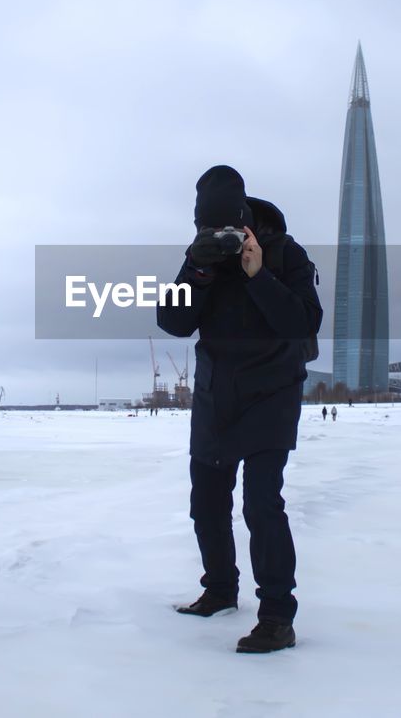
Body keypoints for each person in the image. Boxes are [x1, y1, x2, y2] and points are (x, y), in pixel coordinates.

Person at [156, 165, 321, 654]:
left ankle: (276, 616)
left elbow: (303, 320)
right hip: (214, 397)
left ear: (246, 218)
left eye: (228, 228)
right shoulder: (201, 259)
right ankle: (220, 589)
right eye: (209, 230)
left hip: (272, 394)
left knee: (261, 505)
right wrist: (199, 271)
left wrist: (257, 274)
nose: (221, 237)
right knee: (206, 503)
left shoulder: (285, 253)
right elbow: (173, 323)